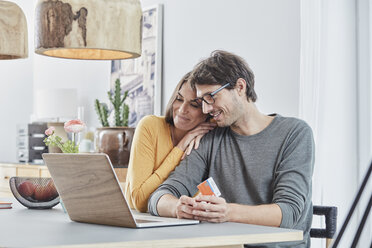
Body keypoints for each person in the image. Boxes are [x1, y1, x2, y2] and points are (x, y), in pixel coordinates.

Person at [148, 50, 314, 247]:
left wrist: (228, 212)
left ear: (240, 87)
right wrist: (178, 207)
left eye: (211, 97)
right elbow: (158, 198)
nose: (206, 109)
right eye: (202, 102)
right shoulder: (210, 137)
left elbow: (289, 213)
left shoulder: (294, 133)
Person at [124, 72, 216, 212]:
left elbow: (203, 199)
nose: (182, 109)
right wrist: (180, 147)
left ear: (207, 112)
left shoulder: (209, 140)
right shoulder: (150, 126)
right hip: (141, 219)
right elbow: (140, 201)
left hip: (184, 220)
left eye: (194, 105)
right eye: (179, 99)